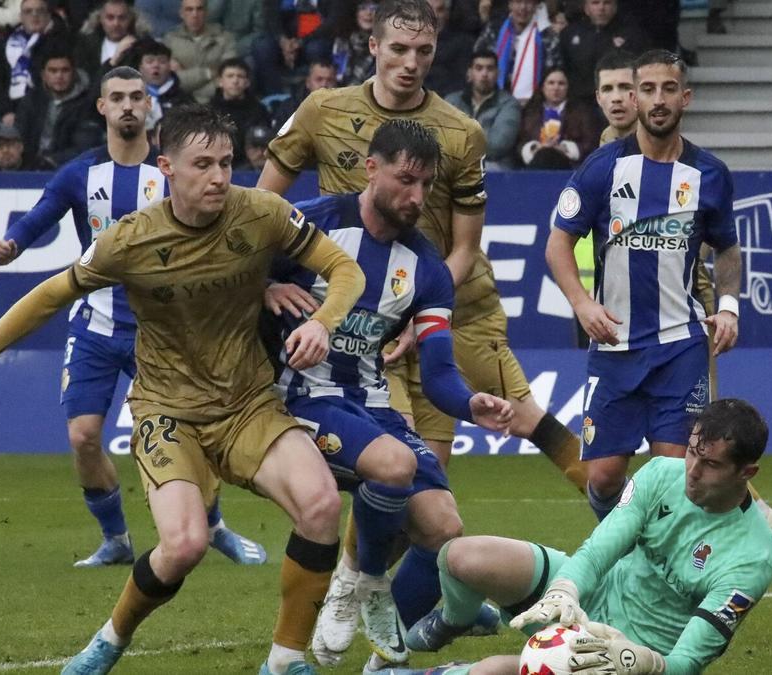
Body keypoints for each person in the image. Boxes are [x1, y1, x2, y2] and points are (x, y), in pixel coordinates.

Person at [0, 103, 367, 675]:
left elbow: (345, 269)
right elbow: (50, 296)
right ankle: (109, 639)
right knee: (183, 547)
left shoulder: (263, 212)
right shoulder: (130, 239)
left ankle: (284, 659)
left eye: (226, 162)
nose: (219, 177)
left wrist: (323, 320)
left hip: (249, 405)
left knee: (322, 506)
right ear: (166, 167)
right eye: (203, 164)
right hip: (169, 411)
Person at [258, 0, 589, 663]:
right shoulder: (323, 111)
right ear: (372, 45)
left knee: (437, 511)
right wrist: (268, 281)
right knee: (393, 474)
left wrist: (414, 314)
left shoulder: (461, 132)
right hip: (335, 311)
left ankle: (389, 640)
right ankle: (345, 603)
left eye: (425, 52)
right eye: (399, 50)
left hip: (431, 300)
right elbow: (259, 208)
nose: (411, 64)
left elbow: (464, 244)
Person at [0, 65, 270, 568]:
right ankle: (115, 539)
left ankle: (215, 524)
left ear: (149, 106)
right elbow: (41, 215)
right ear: (101, 107)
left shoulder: (175, 175)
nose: (127, 105)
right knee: (83, 436)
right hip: (95, 325)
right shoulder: (79, 174)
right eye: (116, 96)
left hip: (162, 330)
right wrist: (13, 244)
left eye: (137, 96)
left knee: (192, 434)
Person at [266, 118, 514, 667]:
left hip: (373, 404)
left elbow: (441, 371)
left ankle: (380, 650)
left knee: (444, 532)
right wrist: (267, 285)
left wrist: (470, 403)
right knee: (394, 466)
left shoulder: (427, 266)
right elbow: (229, 275)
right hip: (301, 399)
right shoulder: (311, 225)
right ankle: (363, 580)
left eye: (426, 184)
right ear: (371, 168)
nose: (418, 197)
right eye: (407, 180)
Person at [384, 399, 772, 675]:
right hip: (593, 598)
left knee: (494, 671)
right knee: (461, 556)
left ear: (747, 473)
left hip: (632, 654)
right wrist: (565, 589)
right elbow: (598, 550)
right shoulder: (661, 473)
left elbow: (688, 662)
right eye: (692, 452)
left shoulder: (752, 558)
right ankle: (458, 620)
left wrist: (643, 661)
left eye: (710, 464)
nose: (692, 470)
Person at [546, 49, 741, 526]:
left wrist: (730, 306)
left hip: (680, 345)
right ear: (634, 98)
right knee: (605, 477)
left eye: (669, 89)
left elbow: (728, 251)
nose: (658, 100)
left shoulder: (709, 175)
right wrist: (582, 303)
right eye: (648, 90)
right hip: (614, 345)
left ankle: (654, 575)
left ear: (685, 98)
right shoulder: (602, 168)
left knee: (674, 473)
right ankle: (627, 546)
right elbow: (557, 245)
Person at [14, 51, 103, 169]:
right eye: (53, 71)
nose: (59, 76)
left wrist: (50, 161)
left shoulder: (87, 104)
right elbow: (19, 136)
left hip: (68, 171)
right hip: (28, 169)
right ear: (43, 75)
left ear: (74, 73)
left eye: (65, 70)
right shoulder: (31, 100)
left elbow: (85, 147)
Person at [0, 0, 71, 120]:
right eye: (28, 11)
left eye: (40, 11)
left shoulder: (61, 41)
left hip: (44, 107)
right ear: (20, 17)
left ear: (48, 15)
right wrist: (5, 111)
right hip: (8, 108)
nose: (34, 15)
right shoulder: (5, 44)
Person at [445, 48, 522, 170]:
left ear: (497, 74)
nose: (484, 74)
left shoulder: (509, 104)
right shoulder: (452, 101)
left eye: (490, 69)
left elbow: (498, 145)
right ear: (469, 73)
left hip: (494, 166)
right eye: (479, 68)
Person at [558, 0, 647, 104]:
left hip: (618, 100)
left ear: (615, 7)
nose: (601, 8)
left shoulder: (631, 34)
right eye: (595, 3)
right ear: (586, 8)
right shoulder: (569, 33)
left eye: (607, 3)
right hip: (578, 102)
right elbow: (562, 68)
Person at [474, 0, 563, 103]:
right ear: (510, 4)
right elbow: (477, 60)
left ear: (535, 6)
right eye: (518, 2)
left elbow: (553, 72)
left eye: (528, 2)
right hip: (492, 100)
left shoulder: (547, 35)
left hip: (533, 104)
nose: (523, 7)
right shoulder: (494, 29)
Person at [516, 68, 596, 169]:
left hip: (571, 165)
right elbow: (519, 142)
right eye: (551, 83)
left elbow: (590, 142)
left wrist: (565, 148)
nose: (556, 87)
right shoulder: (529, 111)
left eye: (561, 83)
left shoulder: (582, 111)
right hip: (536, 162)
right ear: (543, 87)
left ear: (568, 87)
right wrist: (535, 148)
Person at [162, 0, 239, 103]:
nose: (195, 14)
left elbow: (229, 76)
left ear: (207, 12)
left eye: (200, 9)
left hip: (218, 102)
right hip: (179, 103)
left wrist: (187, 83)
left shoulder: (225, 38)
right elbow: (168, 80)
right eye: (189, 9)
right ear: (181, 13)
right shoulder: (169, 40)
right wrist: (209, 73)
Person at [74, 0, 151, 81]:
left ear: (131, 19)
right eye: (110, 18)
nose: (116, 23)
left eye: (122, 18)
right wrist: (114, 60)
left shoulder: (142, 46)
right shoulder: (86, 45)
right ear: (100, 19)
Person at [209, 57, 270, 157]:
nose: (235, 81)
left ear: (247, 82)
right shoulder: (209, 111)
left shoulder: (259, 110)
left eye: (240, 76)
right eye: (230, 76)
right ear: (220, 81)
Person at [130, 37, 195, 128]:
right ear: (140, 67)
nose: (156, 65)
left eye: (162, 61)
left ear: (169, 66)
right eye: (150, 61)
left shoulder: (183, 99)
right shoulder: (129, 96)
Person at [424, 0, 475, 97]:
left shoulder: (463, 42)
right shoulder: (411, 40)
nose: (435, 15)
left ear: (447, 13)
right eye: (429, 10)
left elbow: (460, 81)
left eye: (440, 10)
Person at [595, 49, 636, 146]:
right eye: (607, 89)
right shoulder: (605, 141)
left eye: (626, 88)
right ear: (598, 98)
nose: (616, 98)